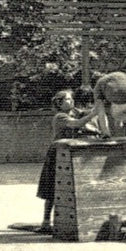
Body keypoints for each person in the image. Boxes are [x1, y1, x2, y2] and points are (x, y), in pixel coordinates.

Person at [36, 89, 100, 234]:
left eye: (71, 99)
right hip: (57, 153)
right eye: (67, 99)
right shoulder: (60, 117)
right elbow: (77, 124)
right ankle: (46, 222)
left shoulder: (74, 112)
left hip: (69, 153)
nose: (71, 101)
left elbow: (85, 118)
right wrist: (94, 113)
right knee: (52, 189)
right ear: (59, 103)